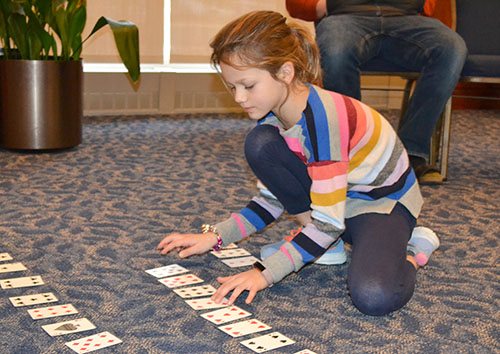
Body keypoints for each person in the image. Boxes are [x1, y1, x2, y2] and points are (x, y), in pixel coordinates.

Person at [157, 10, 440, 316]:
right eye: (231, 87)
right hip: (333, 201)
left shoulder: (323, 123)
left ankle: (413, 250)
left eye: (248, 86)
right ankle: (323, 244)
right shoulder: (270, 115)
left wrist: (264, 273)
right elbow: (270, 201)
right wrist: (214, 237)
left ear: (286, 73)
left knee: (374, 296)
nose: (239, 98)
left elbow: (330, 222)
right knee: (260, 144)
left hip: (381, 205)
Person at [286, 0, 467, 184]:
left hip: (406, 18)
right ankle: (351, 153)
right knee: (336, 53)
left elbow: (430, 6)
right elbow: (296, 5)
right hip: (346, 17)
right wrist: (327, 5)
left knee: (451, 48)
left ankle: (410, 154)